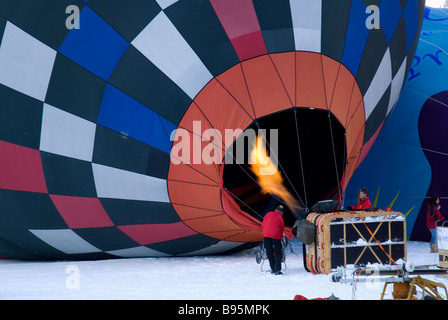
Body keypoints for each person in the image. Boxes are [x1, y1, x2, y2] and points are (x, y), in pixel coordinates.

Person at [261, 205, 285, 275]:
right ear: (282, 212)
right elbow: (281, 229)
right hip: (275, 235)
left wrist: (265, 233)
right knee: (278, 252)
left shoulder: (268, 214)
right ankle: (277, 269)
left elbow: (262, 225)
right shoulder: (280, 217)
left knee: (269, 252)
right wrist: (280, 238)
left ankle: (273, 268)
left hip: (266, 235)